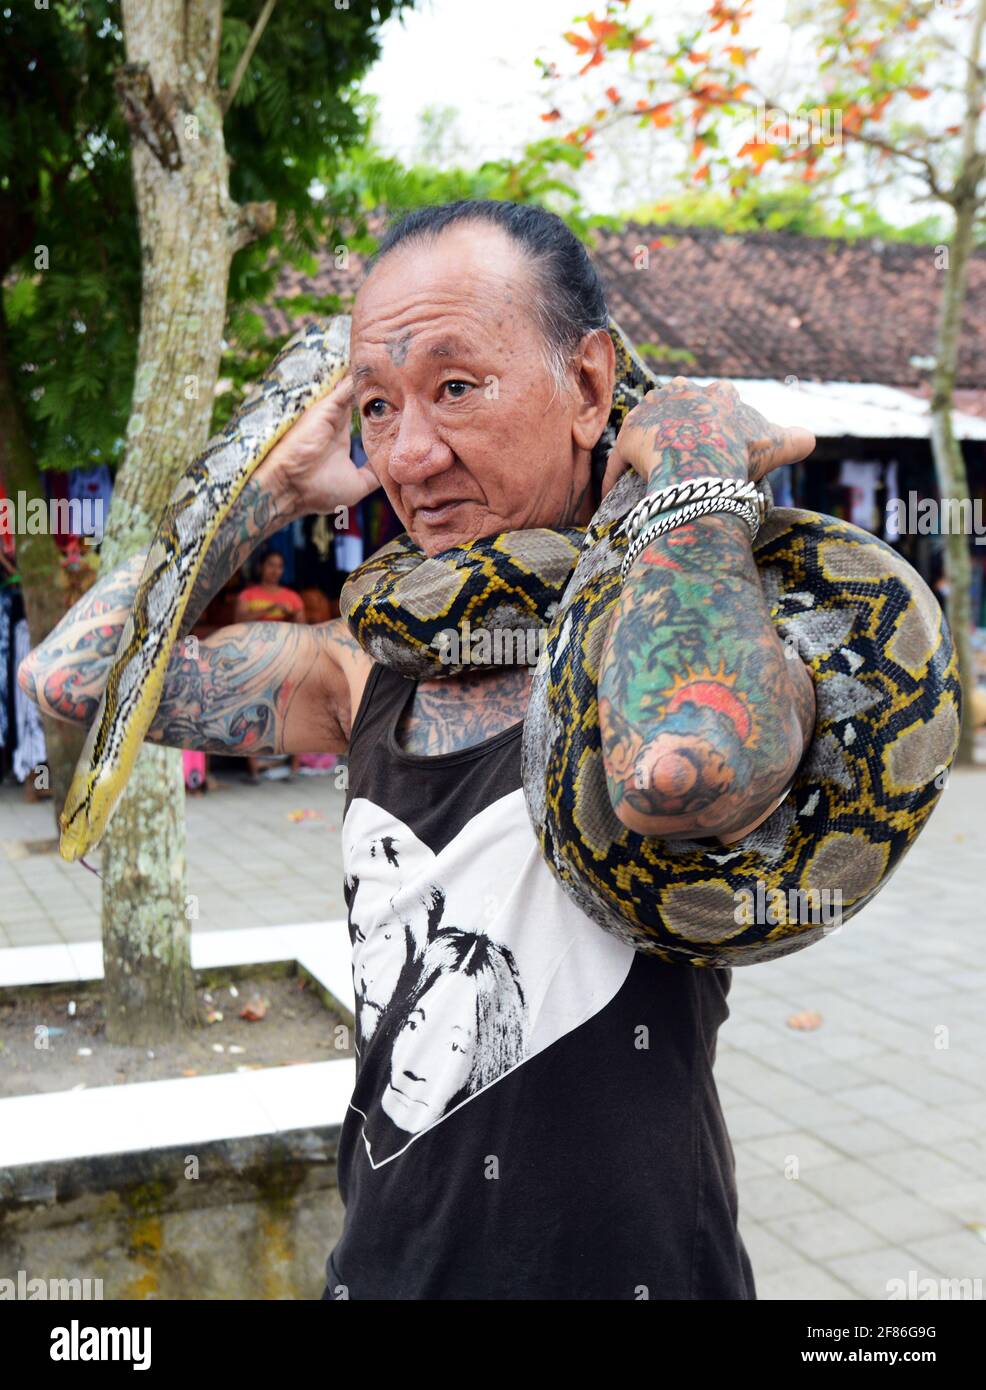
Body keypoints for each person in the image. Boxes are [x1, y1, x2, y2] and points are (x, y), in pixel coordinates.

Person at [19, 199, 816, 1300]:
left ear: (588, 387)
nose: (407, 453)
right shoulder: (362, 664)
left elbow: (690, 766)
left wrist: (686, 471)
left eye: (455, 387)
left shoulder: (697, 635)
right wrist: (266, 491)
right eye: (377, 406)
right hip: (384, 1270)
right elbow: (72, 680)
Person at [234, 548, 305, 782]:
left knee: (288, 711)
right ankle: (254, 769)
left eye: (279, 566)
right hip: (255, 661)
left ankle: (293, 767)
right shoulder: (248, 595)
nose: (275, 570)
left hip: (285, 659)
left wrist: (292, 616)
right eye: (270, 565)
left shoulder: (292, 597)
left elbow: (303, 630)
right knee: (253, 711)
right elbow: (238, 623)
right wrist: (270, 610)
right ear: (261, 568)